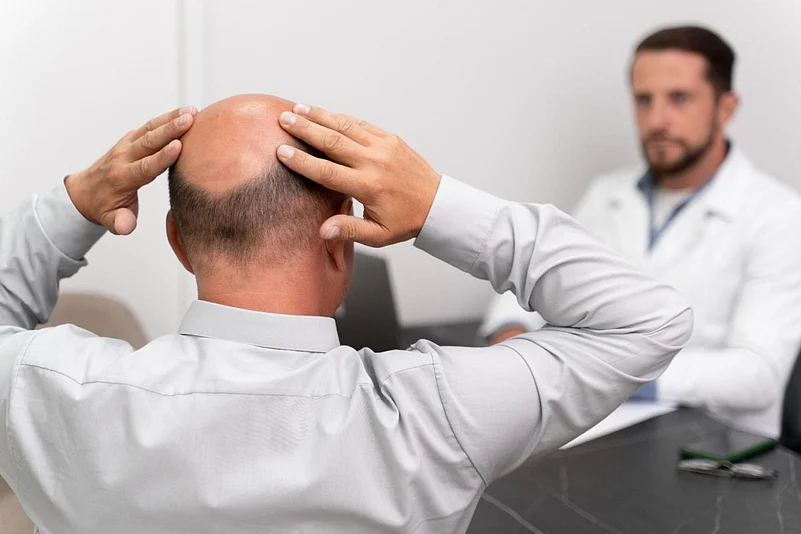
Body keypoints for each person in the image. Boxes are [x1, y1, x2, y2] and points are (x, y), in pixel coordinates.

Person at [0, 93, 692, 533]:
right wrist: (434, 205)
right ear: (346, 239)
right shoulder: (435, 413)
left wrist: (73, 205)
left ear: (179, 244)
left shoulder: (47, 389)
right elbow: (645, 320)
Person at [482, 25, 801, 438]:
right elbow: (532, 276)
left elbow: (757, 374)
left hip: (717, 445)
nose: (656, 120)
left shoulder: (779, 215)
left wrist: (601, 373)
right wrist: (511, 336)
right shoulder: (608, 194)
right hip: (604, 425)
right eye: (643, 100)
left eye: (679, 98)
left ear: (725, 108)